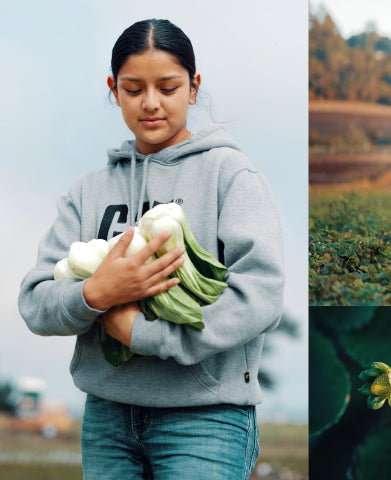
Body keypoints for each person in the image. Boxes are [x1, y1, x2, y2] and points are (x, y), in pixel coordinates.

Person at [17, 19, 284, 479]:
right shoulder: (88, 191)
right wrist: (94, 294)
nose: (151, 103)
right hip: (106, 418)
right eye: (134, 88)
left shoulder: (231, 175)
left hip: (206, 420)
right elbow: (35, 301)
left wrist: (147, 335)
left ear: (194, 88)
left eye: (168, 86)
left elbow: (261, 294)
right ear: (114, 90)